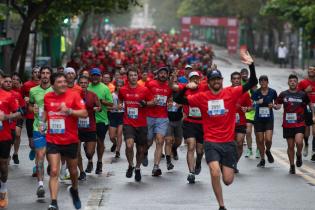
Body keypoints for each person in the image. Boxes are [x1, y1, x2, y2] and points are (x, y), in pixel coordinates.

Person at [174, 50, 257, 210]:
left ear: (222, 80)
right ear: (209, 82)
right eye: (213, 79)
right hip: (211, 142)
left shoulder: (231, 93)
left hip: (228, 143)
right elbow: (178, 99)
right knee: (214, 172)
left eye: (218, 78)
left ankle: (223, 167)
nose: (216, 81)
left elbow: (252, 82)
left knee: (227, 180)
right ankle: (221, 205)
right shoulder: (202, 97)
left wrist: (251, 65)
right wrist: (185, 88)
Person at [43, 72, 87, 210]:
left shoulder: (73, 95)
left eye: (64, 81)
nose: (63, 84)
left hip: (70, 139)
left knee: (73, 171)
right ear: (52, 84)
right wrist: (42, 122)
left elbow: (84, 113)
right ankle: (54, 203)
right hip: (53, 139)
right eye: (59, 82)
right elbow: (46, 111)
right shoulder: (47, 97)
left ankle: (74, 190)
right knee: (54, 171)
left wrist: (69, 111)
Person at [118, 69, 154, 181]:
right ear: (127, 77)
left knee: (140, 149)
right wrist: (119, 105)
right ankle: (131, 165)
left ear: (137, 77)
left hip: (142, 123)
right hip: (128, 122)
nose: (133, 77)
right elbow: (120, 100)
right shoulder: (123, 90)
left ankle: (137, 168)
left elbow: (153, 102)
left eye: (135, 75)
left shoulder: (144, 90)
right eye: (131, 75)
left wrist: (146, 103)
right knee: (129, 145)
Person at [275, 74, 313, 174]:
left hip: (300, 122)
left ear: (297, 83)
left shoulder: (302, 94)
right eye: (290, 81)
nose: (292, 82)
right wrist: (274, 106)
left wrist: (313, 114)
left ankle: (299, 154)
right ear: (288, 82)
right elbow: (278, 105)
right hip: (287, 124)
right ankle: (292, 166)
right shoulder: (283, 94)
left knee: (299, 142)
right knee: (290, 146)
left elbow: (310, 104)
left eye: (294, 81)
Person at [174, 71, 206, 183]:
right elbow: (177, 98)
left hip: (202, 123)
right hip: (189, 122)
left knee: (200, 150)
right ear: (189, 80)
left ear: (200, 79)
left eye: (197, 78)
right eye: (193, 78)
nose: (195, 80)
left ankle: (198, 163)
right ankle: (191, 172)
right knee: (191, 146)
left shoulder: (204, 88)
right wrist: (185, 88)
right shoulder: (186, 89)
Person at [29, 66, 53, 198]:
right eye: (42, 73)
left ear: (50, 75)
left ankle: (53, 170)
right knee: (40, 156)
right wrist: (33, 109)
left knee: (51, 159)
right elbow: (30, 104)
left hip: (54, 129)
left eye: (47, 73)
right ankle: (40, 185)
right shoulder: (33, 91)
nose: (44, 75)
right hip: (38, 127)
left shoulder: (56, 90)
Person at [145, 66, 172, 176]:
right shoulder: (150, 84)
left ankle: (156, 167)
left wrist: (170, 102)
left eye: (165, 73)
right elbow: (144, 96)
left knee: (160, 140)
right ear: (158, 74)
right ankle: (144, 152)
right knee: (149, 141)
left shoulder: (169, 87)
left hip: (162, 117)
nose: (163, 75)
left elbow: (170, 98)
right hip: (149, 116)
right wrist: (150, 101)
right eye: (161, 73)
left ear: (167, 75)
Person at [0, 75, 22, 208]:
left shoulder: (8, 96)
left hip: (4, 136)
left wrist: (6, 116)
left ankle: (3, 188)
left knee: (3, 165)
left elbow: (18, 113)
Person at [88, 68, 113, 174]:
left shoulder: (104, 88)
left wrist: (102, 101)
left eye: (97, 75)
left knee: (99, 142)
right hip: (88, 120)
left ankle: (99, 162)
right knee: (88, 144)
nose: (95, 77)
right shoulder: (86, 87)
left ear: (100, 77)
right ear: (90, 76)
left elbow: (111, 104)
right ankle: (90, 160)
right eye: (93, 75)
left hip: (101, 120)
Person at [77, 75, 101, 181]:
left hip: (90, 126)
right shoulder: (74, 95)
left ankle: (89, 156)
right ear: (78, 84)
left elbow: (100, 107)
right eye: (81, 83)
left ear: (88, 84)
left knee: (90, 153)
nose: (83, 85)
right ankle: (82, 172)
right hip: (77, 128)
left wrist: (97, 108)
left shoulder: (93, 95)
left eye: (85, 83)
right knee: (76, 152)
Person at [252, 75, 278, 168]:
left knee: (268, 139)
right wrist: (257, 102)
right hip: (258, 119)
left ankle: (268, 150)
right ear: (259, 83)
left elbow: (278, 105)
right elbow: (251, 105)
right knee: (260, 140)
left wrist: (274, 106)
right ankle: (262, 159)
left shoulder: (272, 92)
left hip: (268, 119)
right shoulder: (256, 92)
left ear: (267, 82)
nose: (263, 82)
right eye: (261, 81)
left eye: (264, 81)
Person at [22, 66, 40, 176]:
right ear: (32, 74)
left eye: (39, 72)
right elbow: (22, 96)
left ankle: (36, 167)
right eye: (35, 72)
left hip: (41, 119)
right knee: (32, 144)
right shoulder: (27, 85)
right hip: (30, 117)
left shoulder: (45, 86)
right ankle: (32, 149)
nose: (37, 74)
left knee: (39, 145)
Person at [297, 65, 315, 160]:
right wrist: (305, 91)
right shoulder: (303, 82)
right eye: (310, 69)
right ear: (307, 71)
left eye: (313, 70)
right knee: (307, 131)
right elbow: (297, 94)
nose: (311, 71)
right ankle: (306, 143)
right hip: (307, 107)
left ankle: (314, 151)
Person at [240, 68, 258, 158]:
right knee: (248, 132)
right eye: (253, 86)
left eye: (255, 86)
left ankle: (258, 149)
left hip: (258, 115)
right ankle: (249, 149)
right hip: (248, 114)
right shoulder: (247, 93)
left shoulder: (259, 93)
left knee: (257, 134)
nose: (254, 87)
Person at [108, 80, 124, 158]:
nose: (120, 87)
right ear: (116, 86)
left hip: (122, 115)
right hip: (113, 115)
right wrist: (115, 107)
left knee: (119, 134)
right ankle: (114, 143)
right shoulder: (112, 95)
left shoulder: (125, 95)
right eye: (118, 85)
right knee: (111, 136)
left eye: (121, 86)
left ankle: (118, 151)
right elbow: (107, 107)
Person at [11, 73, 24, 164]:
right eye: (13, 79)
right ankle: (7, 153)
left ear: (20, 82)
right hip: (9, 116)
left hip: (18, 115)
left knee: (18, 134)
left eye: (17, 79)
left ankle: (15, 153)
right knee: (10, 136)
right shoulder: (7, 90)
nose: (15, 81)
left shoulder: (22, 90)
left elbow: (23, 106)